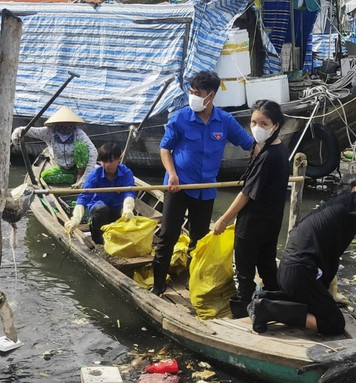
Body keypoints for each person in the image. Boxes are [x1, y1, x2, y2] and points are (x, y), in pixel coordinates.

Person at [249, 173, 356, 335]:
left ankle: (266, 297)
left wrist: (332, 293)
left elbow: (327, 253)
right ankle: (268, 309)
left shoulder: (338, 208)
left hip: (292, 272)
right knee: (333, 322)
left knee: (317, 306)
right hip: (300, 273)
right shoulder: (354, 198)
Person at [151, 71, 257, 296]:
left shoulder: (224, 121)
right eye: (191, 92)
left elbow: (249, 144)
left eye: (197, 93)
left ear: (211, 96)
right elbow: (165, 149)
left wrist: (271, 155)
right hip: (178, 186)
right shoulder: (180, 118)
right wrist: (172, 174)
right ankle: (158, 285)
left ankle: (194, 284)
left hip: (206, 190)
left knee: (198, 240)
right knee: (167, 235)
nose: (193, 97)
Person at [213, 100, 289, 318]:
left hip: (253, 223)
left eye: (263, 123)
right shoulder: (280, 149)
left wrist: (223, 220)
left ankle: (245, 313)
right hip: (272, 220)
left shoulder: (268, 156)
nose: (256, 127)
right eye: (253, 122)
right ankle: (278, 306)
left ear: (275, 125)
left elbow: (246, 193)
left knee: (244, 272)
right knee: (267, 267)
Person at [64, 142, 136, 245]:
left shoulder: (126, 173)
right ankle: (98, 238)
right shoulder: (95, 174)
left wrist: (128, 209)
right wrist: (76, 219)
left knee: (128, 212)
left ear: (119, 159)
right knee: (102, 209)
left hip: (117, 208)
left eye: (111, 161)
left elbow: (129, 193)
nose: (107, 165)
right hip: (99, 210)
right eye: (104, 161)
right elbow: (84, 197)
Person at [11, 106, 98, 188]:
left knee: (80, 147)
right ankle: (73, 178)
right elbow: (29, 130)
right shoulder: (49, 132)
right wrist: (17, 131)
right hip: (61, 167)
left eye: (68, 123)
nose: (65, 125)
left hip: (78, 166)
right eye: (62, 123)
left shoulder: (79, 133)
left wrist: (84, 178)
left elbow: (93, 152)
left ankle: (79, 175)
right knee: (45, 176)